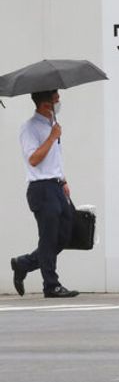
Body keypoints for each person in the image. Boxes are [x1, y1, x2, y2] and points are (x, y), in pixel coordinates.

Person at [10, 90, 78, 299]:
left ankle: (23, 264)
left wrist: (63, 180)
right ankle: (51, 285)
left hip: (56, 186)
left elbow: (54, 159)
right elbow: (33, 159)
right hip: (41, 189)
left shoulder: (52, 125)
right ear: (45, 104)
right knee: (48, 239)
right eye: (56, 99)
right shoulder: (29, 128)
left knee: (64, 235)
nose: (59, 102)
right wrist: (52, 137)